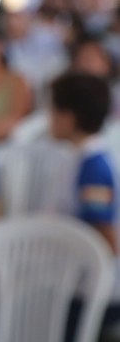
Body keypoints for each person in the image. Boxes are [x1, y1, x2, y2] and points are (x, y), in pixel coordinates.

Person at [49, 72, 118, 251]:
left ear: (68, 118)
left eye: (53, 111)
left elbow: (104, 231)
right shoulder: (76, 158)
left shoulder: (93, 167)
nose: (49, 119)